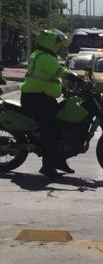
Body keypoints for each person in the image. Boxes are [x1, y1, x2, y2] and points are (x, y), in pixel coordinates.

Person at [20, 29, 74, 177]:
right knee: (51, 130)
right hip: (37, 100)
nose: (60, 46)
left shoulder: (40, 55)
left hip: (41, 98)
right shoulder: (44, 57)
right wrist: (74, 78)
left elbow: (50, 77)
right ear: (51, 42)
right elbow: (59, 72)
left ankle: (59, 160)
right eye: (58, 43)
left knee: (60, 124)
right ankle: (48, 166)